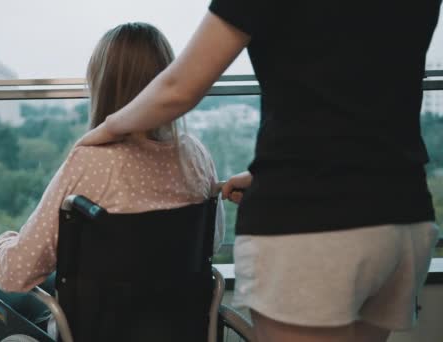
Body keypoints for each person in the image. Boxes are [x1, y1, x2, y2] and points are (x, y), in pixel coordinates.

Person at [76, 1, 442, 341]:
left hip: (311, 224)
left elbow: (178, 87)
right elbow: (366, 79)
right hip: (403, 216)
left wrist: (106, 128)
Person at [0, 22, 224, 294]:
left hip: (97, 326)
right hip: (181, 323)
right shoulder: (195, 157)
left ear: (103, 86)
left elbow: (16, 274)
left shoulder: (92, 162)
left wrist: (3, 243)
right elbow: (213, 241)